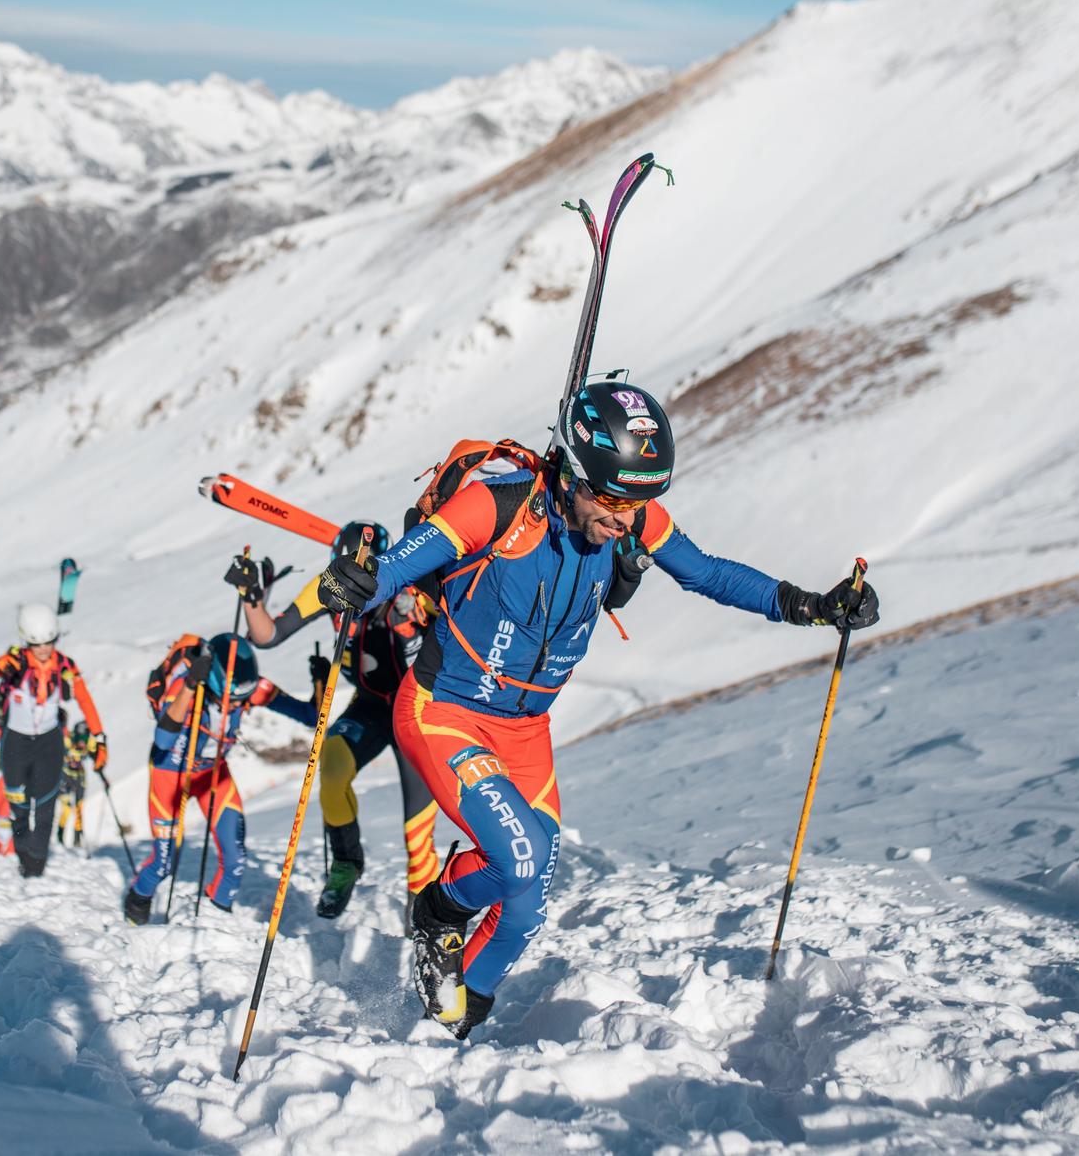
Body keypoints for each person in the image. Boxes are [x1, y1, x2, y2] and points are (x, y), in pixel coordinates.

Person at [294, 379, 879, 1039]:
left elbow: (708, 572)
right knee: (518, 858)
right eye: (607, 496)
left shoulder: (629, 519)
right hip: (444, 712)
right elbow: (399, 566)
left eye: (638, 500)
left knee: (526, 907)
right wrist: (356, 582)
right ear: (570, 470)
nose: (622, 517)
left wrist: (812, 605)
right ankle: (437, 910)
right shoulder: (496, 509)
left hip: (525, 731)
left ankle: (453, 1024)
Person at [225, 523, 439, 919]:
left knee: (416, 826)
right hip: (371, 704)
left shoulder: (408, 589)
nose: (356, 580)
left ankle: (421, 899)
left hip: (416, 710)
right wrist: (251, 596)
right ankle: (345, 863)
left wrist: (417, 616)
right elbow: (268, 635)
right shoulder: (332, 584)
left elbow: (448, 629)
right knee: (333, 766)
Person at [123, 633, 317, 925]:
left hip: (212, 773)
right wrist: (190, 687)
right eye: (232, 700)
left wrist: (320, 682)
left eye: (242, 700)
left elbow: (310, 715)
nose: (236, 706)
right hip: (171, 771)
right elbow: (162, 739)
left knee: (235, 857)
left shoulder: (250, 687)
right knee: (164, 863)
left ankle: (215, 921)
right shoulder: (188, 687)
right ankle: (136, 905)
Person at [0, 602, 109, 879]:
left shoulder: (64, 666)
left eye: (50, 642)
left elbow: (84, 698)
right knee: (19, 808)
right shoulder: (14, 664)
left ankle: (36, 866)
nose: (44, 649)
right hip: (16, 743)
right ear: (25, 640)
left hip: (49, 743)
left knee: (47, 807)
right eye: (37, 644)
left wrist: (99, 737)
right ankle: (23, 857)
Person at [55, 721, 100, 847]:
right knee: (67, 808)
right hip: (65, 775)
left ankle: (77, 839)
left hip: (80, 777)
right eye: (80, 740)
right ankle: (60, 837)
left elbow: (95, 754)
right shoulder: (68, 740)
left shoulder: (89, 742)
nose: (81, 744)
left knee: (79, 808)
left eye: (84, 740)